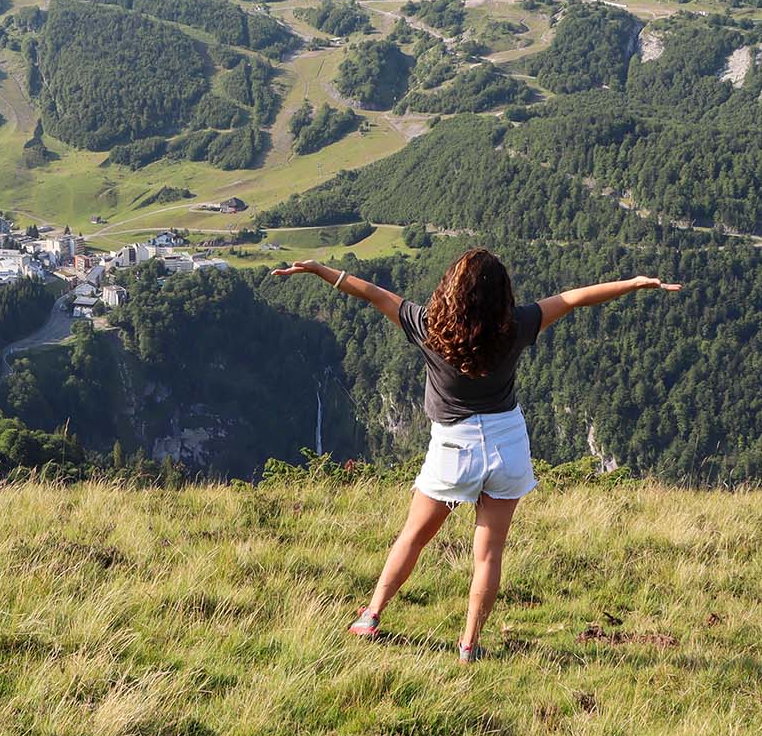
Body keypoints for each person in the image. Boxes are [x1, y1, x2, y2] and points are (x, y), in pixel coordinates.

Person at [275, 249, 679, 662]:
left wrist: (321, 270)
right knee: (488, 553)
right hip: (508, 446)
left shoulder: (429, 326)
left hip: (454, 447)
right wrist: (633, 284)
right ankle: (469, 643)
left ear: (451, 291)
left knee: (413, 537)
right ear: (501, 295)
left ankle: (371, 616)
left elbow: (374, 295)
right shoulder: (518, 325)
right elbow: (574, 298)